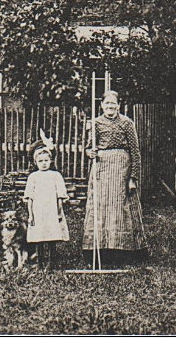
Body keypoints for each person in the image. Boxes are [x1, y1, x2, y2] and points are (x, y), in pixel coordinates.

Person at [82, 90, 147, 266]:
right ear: (101, 105)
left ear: (119, 105)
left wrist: (133, 177)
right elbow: (87, 148)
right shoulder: (95, 124)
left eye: (113, 103)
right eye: (107, 103)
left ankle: (125, 252)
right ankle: (99, 250)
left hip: (122, 170)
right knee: (100, 206)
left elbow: (135, 152)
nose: (110, 107)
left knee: (121, 207)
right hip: (101, 169)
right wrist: (91, 152)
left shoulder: (127, 123)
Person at [23, 145, 70, 270]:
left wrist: (59, 211)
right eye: (40, 161)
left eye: (46, 160)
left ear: (50, 161)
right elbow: (30, 197)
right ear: (35, 162)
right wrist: (31, 215)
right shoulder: (33, 177)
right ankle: (39, 263)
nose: (43, 164)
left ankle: (51, 263)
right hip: (38, 211)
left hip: (52, 210)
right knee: (38, 237)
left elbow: (60, 195)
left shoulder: (55, 175)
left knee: (51, 236)